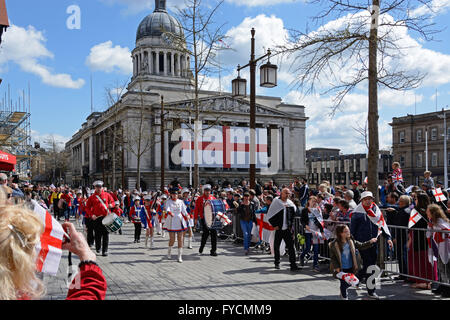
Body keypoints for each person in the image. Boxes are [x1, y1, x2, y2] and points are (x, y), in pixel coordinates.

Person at [0, 192, 107, 300]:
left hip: (101, 217)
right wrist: (88, 261)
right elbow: (89, 294)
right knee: (98, 235)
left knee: (103, 235)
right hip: (94, 219)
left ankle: (103, 249)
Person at [350, 191, 393, 299]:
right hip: (362, 244)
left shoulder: (376, 210)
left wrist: (388, 238)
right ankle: (371, 290)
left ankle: (356, 279)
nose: (368, 201)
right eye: (366, 199)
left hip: (374, 242)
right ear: (362, 200)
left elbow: (382, 224)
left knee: (369, 264)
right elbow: (352, 231)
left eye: (370, 199)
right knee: (371, 266)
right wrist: (353, 244)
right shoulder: (357, 212)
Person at [329, 224, 378, 300]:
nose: (348, 232)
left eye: (348, 230)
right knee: (343, 283)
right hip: (341, 268)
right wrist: (336, 267)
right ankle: (344, 297)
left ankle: (343, 291)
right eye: (345, 231)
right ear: (340, 233)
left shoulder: (351, 241)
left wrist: (370, 242)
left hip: (351, 266)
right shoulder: (334, 244)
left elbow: (361, 245)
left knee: (349, 283)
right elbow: (333, 258)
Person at [267, 188, 299, 271]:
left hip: (287, 228)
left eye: (289, 193)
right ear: (281, 193)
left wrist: (290, 225)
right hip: (279, 228)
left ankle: (293, 265)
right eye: (286, 193)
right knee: (276, 246)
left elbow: (293, 214)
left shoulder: (290, 203)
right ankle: (277, 262)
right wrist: (274, 225)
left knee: (291, 247)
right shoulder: (276, 201)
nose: (287, 195)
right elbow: (270, 214)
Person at [408, 192, 434, 289]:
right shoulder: (430, 210)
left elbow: (412, 226)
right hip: (427, 239)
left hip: (420, 239)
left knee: (421, 260)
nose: (415, 201)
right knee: (427, 260)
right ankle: (428, 281)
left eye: (416, 199)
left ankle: (423, 281)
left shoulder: (416, 211)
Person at [426, 204, 450, 297]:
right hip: (439, 247)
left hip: (445, 247)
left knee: (445, 268)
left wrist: (435, 227)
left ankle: (447, 288)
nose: (427, 213)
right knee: (441, 267)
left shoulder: (440, 221)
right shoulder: (433, 221)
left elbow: (446, 230)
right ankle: (443, 286)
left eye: (428, 211)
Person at [85, 181, 115, 256]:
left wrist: (111, 205)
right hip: (97, 218)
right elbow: (87, 208)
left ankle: (105, 250)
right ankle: (98, 247)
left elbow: (113, 202)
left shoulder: (107, 195)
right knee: (97, 234)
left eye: (100, 187)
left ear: (102, 187)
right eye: (97, 187)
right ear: (95, 187)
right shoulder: (92, 197)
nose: (99, 188)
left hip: (106, 217)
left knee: (106, 234)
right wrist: (91, 215)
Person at [164, 187, 189, 263]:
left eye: (176, 194)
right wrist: (169, 212)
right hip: (172, 221)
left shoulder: (181, 202)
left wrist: (187, 215)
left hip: (179, 220)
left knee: (180, 238)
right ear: (171, 195)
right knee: (172, 239)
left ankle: (179, 256)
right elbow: (167, 209)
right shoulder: (168, 202)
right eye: (173, 194)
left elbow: (184, 211)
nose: (175, 196)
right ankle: (169, 251)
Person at [300, 196, 324, 272]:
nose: (314, 203)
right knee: (308, 247)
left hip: (316, 231)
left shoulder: (317, 210)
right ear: (309, 201)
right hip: (308, 231)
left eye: (315, 201)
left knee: (316, 249)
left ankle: (315, 265)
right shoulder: (305, 210)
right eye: (313, 201)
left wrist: (322, 231)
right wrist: (305, 225)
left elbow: (321, 221)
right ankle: (302, 256)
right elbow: (302, 220)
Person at [194, 185, 218, 256]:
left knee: (214, 234)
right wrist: (195, 219)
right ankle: (201, 247)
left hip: (212, 219)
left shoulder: (213, 198)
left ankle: (213, 251)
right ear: (204, 191)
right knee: (205, 234)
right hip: (203, 218)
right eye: (206, 190)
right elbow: (196, 210)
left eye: (209, 191)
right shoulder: (199, 199)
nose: (207, 192)